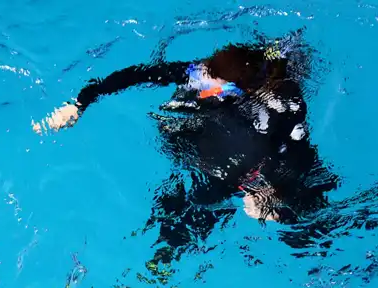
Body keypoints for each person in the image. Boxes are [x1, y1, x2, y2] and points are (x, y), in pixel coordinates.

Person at [33, 30, 339, 267]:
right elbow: (135, 75)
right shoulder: (201, 73)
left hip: (247, 170)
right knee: (175, 223)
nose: (202, 86)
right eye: (204, 78)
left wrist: (270, 195)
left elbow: (299, 156)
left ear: (242, 91)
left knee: (305, 224)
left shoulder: (282, 106)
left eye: (213, 86)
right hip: (212, 150)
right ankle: (159, 265)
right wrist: (80, 103)